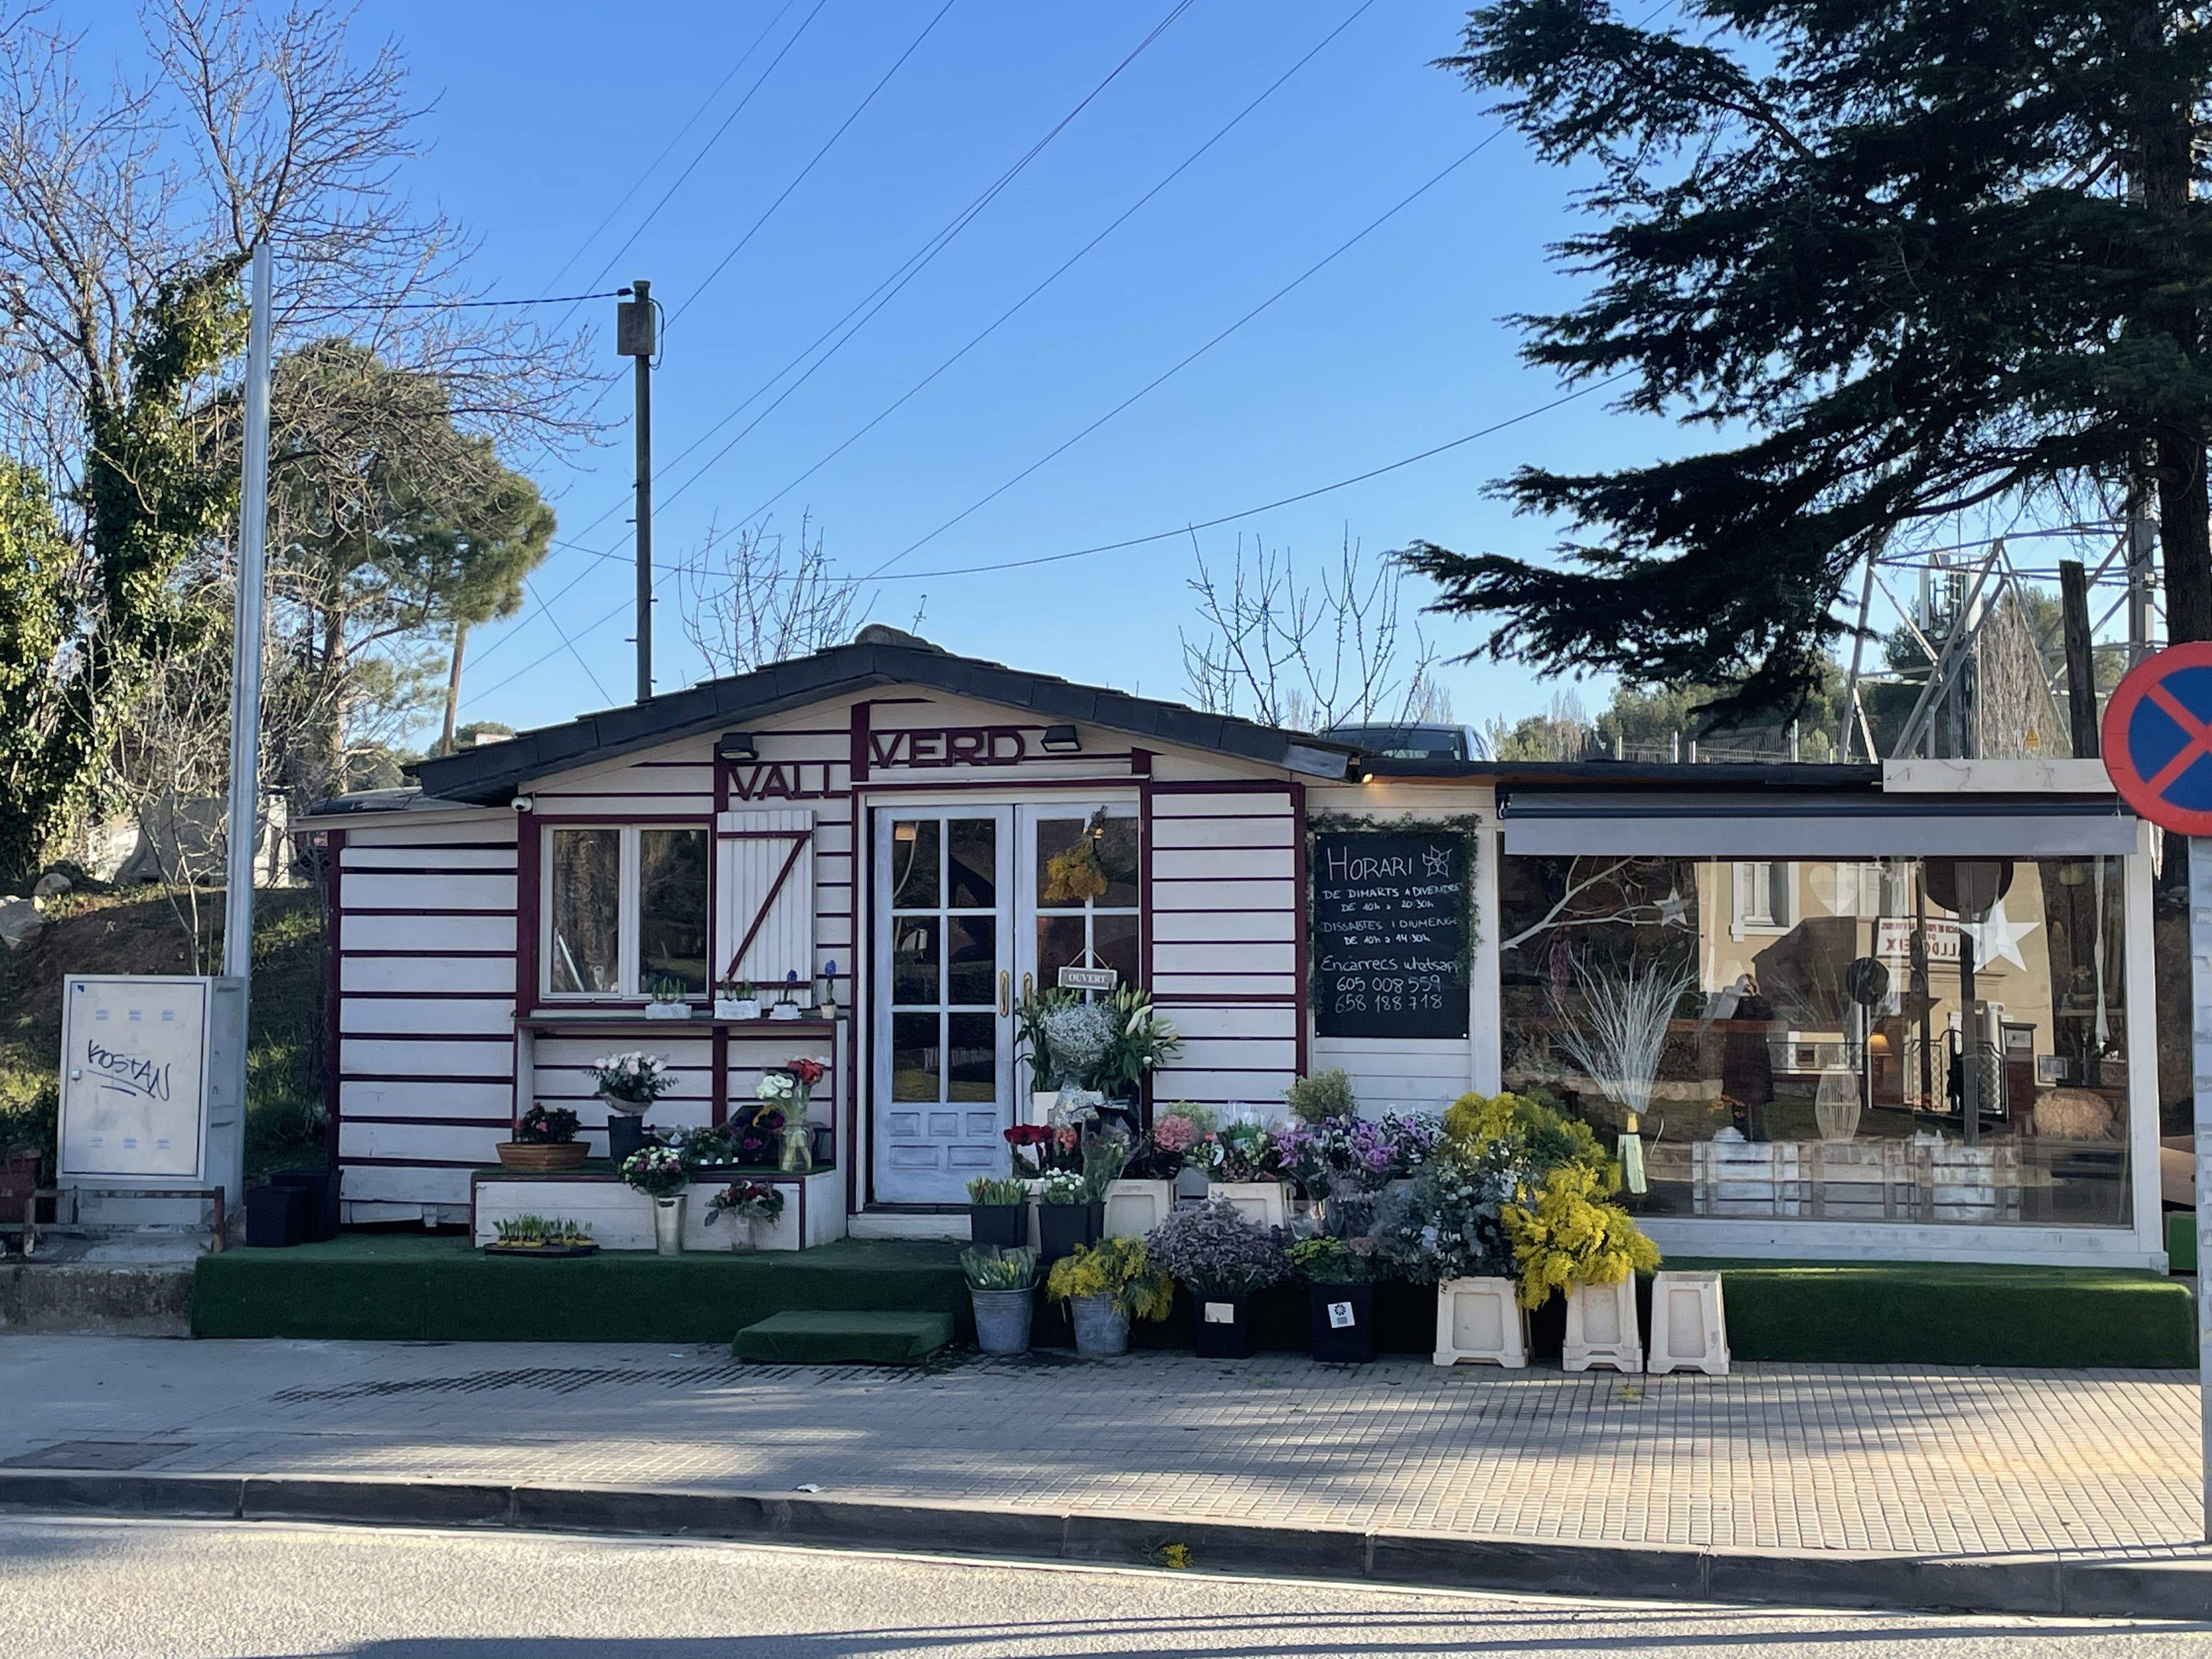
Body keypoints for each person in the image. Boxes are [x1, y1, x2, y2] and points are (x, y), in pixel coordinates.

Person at [1720, 973, 1778, 1142]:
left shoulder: (1759, 1005)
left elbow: (1767, 1015)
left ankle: (1759, 1138)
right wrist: (1735, 996)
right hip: (1738, 1057)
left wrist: (1755, 997)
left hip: (1755, 1057)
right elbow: (1723, 1016)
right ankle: (1741, 1136)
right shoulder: (1734, 1004)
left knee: (1757, 1104)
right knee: (1739, 1102)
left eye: (1749, 987)